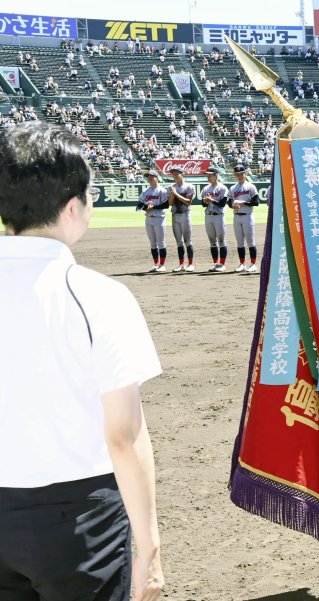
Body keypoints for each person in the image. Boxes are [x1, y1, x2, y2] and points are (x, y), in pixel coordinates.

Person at [0, 121, 164, 601]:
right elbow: (123, 435)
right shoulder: (99, 297)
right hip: (77, 519)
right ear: (72, 207)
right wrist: (149, 550)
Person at [228, 164, 260, 273]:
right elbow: (229, 202)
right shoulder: (233, 188)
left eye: (241, 173)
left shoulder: (251, 186)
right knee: (240, 242)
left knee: (250, 241)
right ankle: (242, 264)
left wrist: (244, 203)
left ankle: (253, 264)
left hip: (247, 216)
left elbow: (256, 202)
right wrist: (233, 205)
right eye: (237, 174)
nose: (239, 176)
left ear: (245, 174)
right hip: (236, 217)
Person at [136, 169, 169, 272]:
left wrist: (153, 207)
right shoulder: (146, 192)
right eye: (148, 177)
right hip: (149, 219)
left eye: (151, 177)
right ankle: (156, 264)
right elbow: (138, 207)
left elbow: (166, 205)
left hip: (159, 219)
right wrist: (146, 207)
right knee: (152, 243)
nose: (149, 179)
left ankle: (162, 265)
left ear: (156, 178)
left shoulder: (162, 191)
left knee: (161, 243)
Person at [200, 166, 229, 272]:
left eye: (210, 175)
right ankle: (216, 263)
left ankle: (222, 264)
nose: (208, 176)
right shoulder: (206, 188)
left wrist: (211, 200)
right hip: (208, 216)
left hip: (219, 216)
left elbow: (222, 204)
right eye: (207, 175)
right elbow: (203, 204)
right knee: (212, 241)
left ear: (215, 175)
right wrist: (206, 201)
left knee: (221, 241)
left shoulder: (222, 188)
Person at [167, 166, 195, 272]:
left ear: (181, 174)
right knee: (179, 242)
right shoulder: (171, 187)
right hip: (175, 215)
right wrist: (172, 195)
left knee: (188, 241)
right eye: (173, 174)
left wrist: (175, 194)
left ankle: (191, 264)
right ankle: (181, 264)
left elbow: (188, 201)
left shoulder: (189, 186)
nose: (174, 176)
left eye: (176, 174)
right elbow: (170, 203)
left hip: (185, 215)